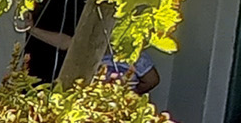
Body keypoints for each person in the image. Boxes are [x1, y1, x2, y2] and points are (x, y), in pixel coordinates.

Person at [23, 21, 160, 93]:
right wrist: (31, 29)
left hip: (116, 111)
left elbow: (152, 80)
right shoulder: (91, 46)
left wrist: (131, 94)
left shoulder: (133, 53)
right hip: (88, 103)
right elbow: (66, 43)